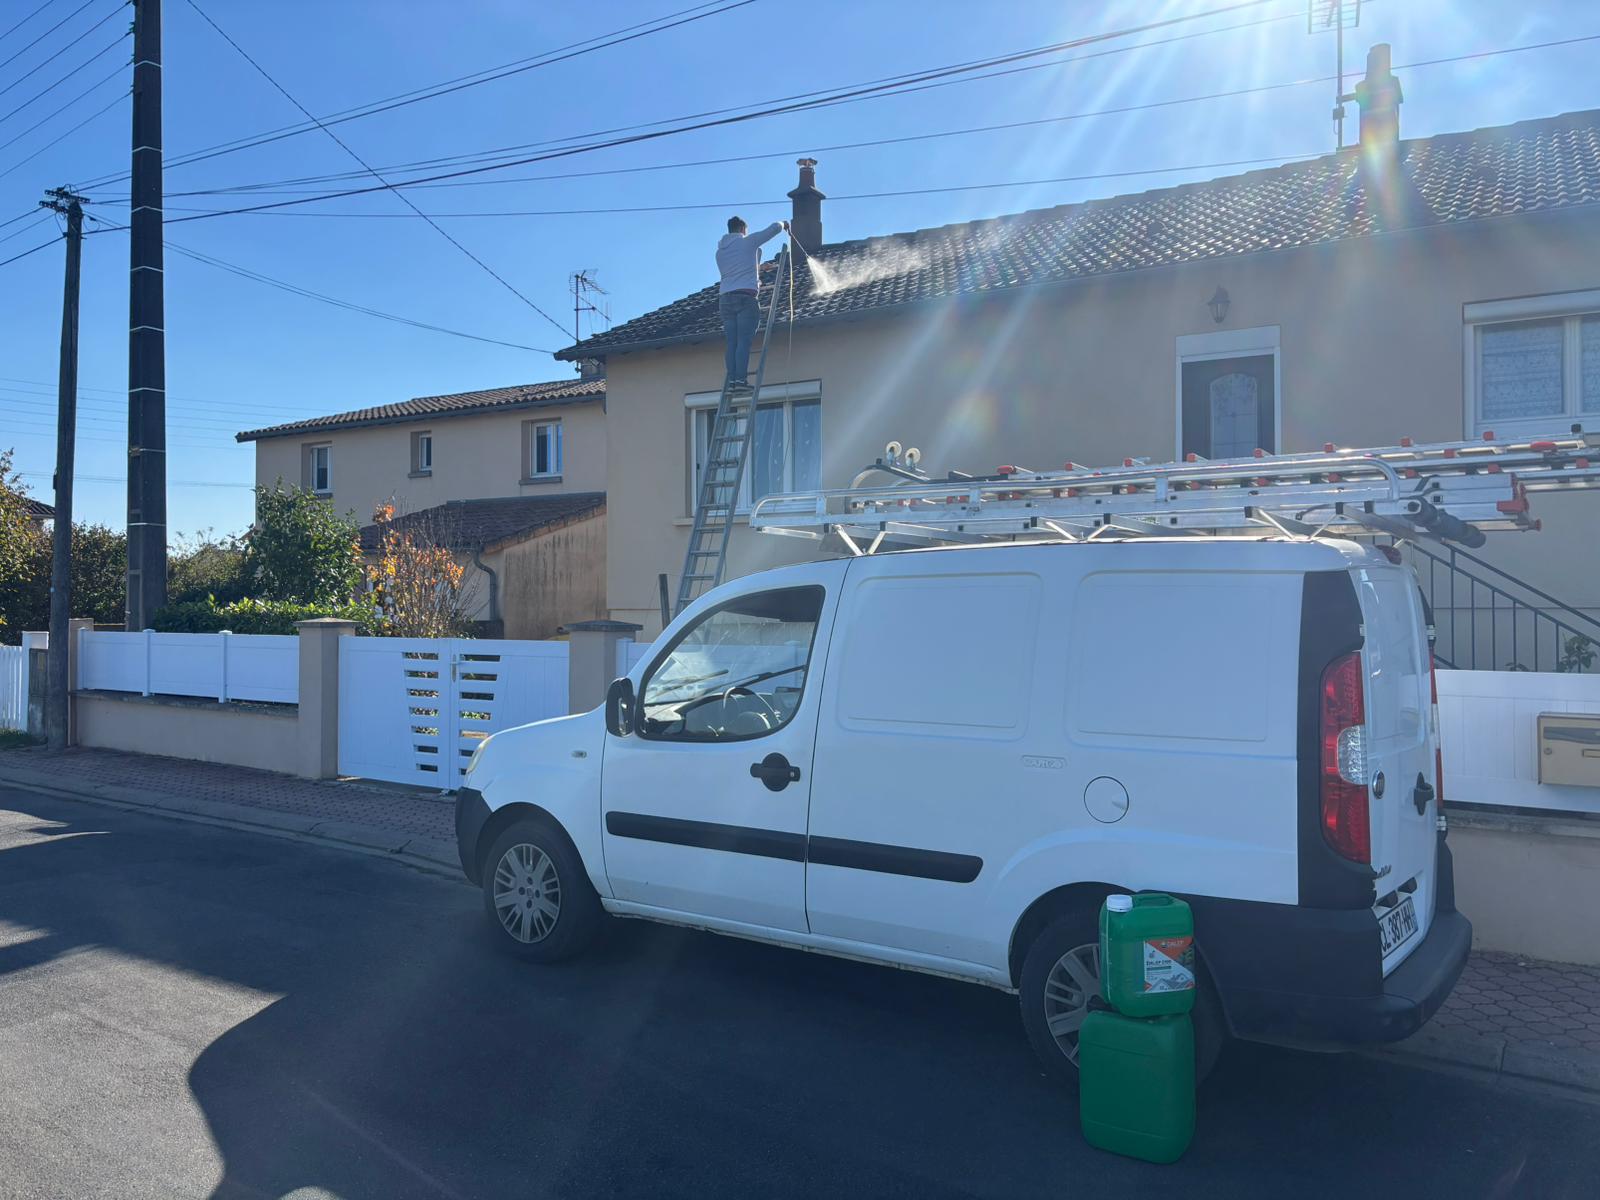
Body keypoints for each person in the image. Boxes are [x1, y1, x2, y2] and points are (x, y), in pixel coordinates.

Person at [716, 215, 787, 389]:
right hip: (745, 299)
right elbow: (773, 230)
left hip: (725, 299)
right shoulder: (747, 242)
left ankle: (733, 381)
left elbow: (737, 268)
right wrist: (784, 224)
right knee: (743, 341)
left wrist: (758, 268)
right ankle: (741, 380)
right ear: (742, 229)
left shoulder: (720, 252)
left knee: (732, 342)